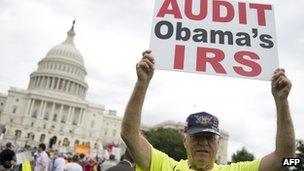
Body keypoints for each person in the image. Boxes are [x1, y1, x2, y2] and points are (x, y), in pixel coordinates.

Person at [121, 50, 295, 171]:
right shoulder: (165, 166)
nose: (203, 143)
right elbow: (129, 135)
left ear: (218, 144)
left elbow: (286, 160)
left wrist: (282, 102)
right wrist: (142, 83)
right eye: (197, 137)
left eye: (209, 138)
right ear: (185, 141)